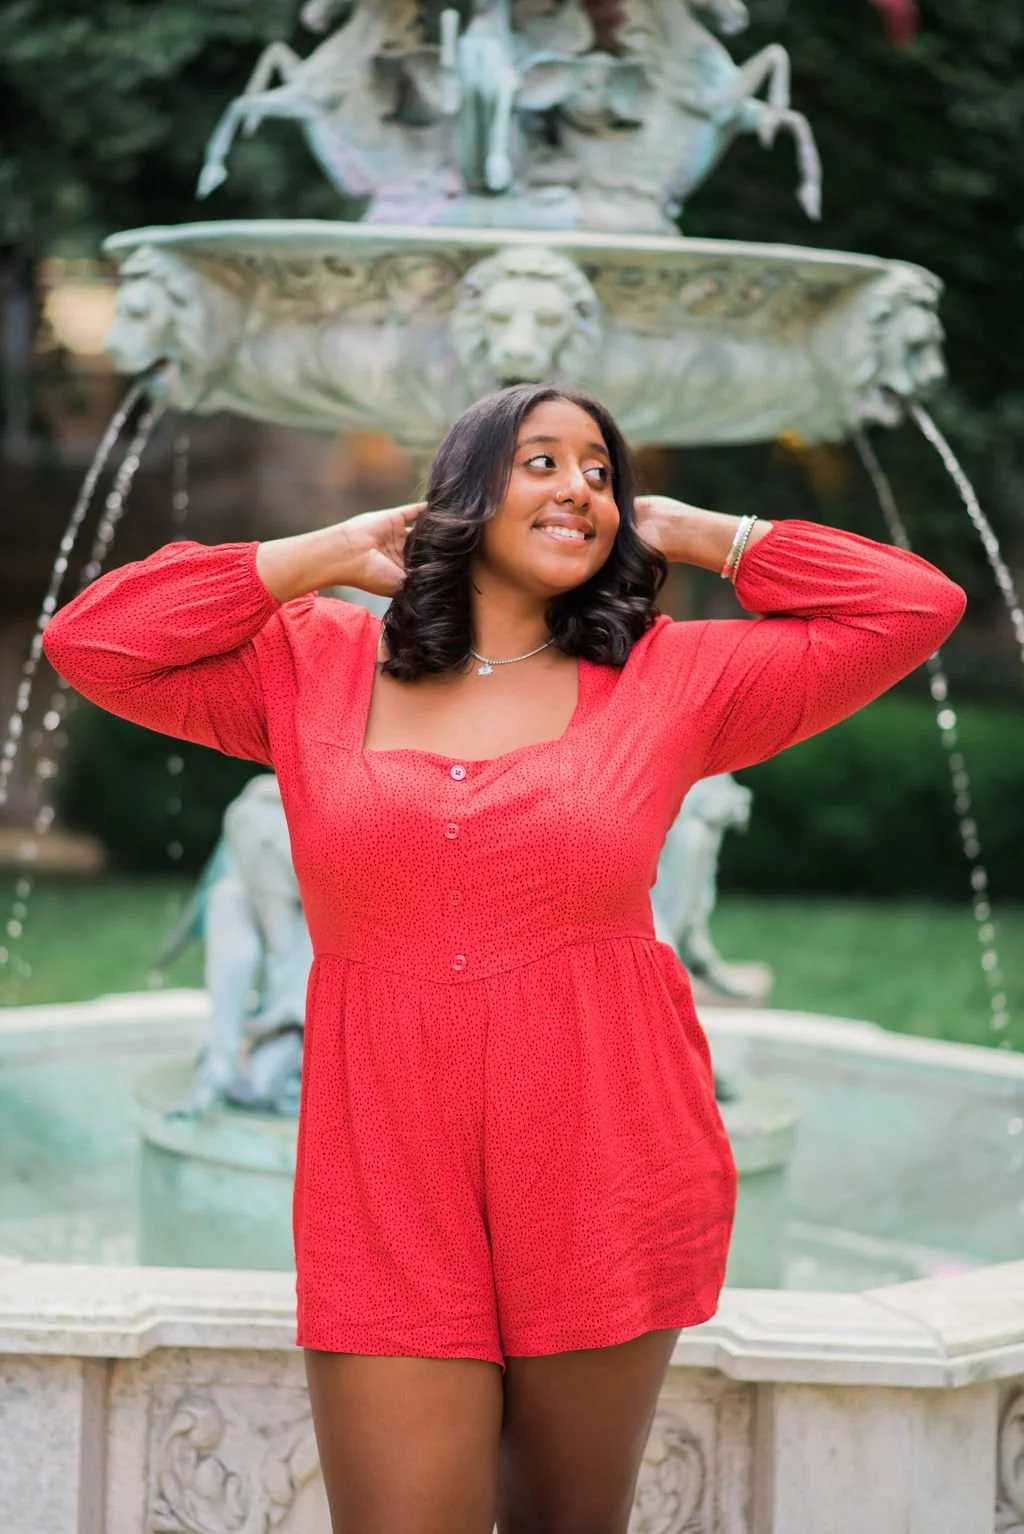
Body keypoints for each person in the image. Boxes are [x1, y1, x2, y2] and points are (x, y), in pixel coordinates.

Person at [42, 383, 966, 1534]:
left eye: (599, 469)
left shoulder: (673, 678)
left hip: (607, 1165)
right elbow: (93, 639)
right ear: (461, 492)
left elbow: (911, 606)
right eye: (541, 460)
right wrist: (325, 550)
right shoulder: (314, 662)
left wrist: (695, 532)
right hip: (383, 1185)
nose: (580, 485)